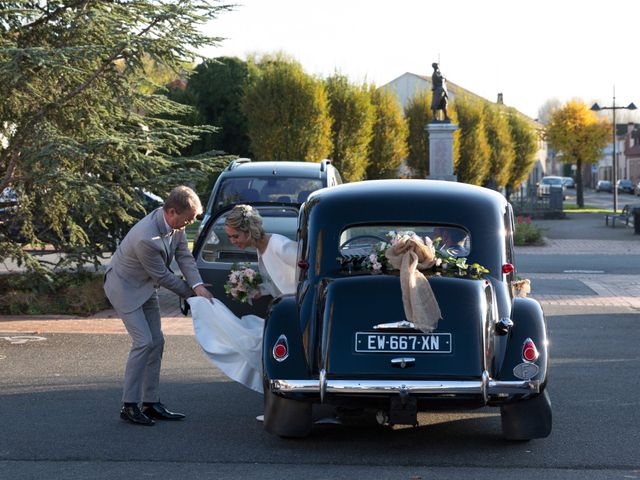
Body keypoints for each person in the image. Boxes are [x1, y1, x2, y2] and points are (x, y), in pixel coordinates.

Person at [104, 185, 213, 426]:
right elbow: (164, 276)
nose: (190, 222)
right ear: (172, 211)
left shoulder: (176, 226)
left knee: (158, 342)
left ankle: (150, 403)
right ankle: (129, 405)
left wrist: (198, 285)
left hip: (145, 286)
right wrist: (193, 296)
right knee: (144, 342)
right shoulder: (146, 237)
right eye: (188, 218)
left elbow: (184, 256)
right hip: (124, 289)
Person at [189, 204, 297, 395]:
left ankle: (279, 401)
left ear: (249, 230)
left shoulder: (279, 245)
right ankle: (276, 400)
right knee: (251, 339)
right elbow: (278, 280)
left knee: (253, 340)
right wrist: (260, 290)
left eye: (235, 236)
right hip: (286, 312)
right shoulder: (260, 249)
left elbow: (310, 266)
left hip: (298, 312)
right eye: (230, 236)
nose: (232, 241)